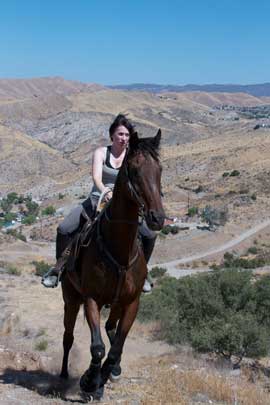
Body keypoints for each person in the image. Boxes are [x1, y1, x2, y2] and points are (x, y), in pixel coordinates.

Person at [42, 114, 157, 292]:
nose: (123, 138)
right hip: (98, 199)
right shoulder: (101, 153)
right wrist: (106, 191)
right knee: (64, 228)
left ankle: (143, 273)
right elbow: (96, 177)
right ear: (112, 135)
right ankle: (59, 269)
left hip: (124, 205)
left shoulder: (132, 156)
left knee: (149, 235)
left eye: (127, 135)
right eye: (120, 134)